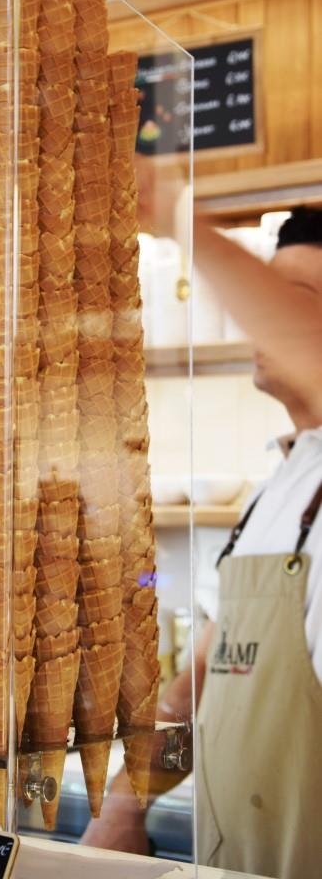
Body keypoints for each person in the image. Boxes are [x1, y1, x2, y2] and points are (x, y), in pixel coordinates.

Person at [82, 206, 322, 879]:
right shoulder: (272, 491)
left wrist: (179, 214)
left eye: (290, 299)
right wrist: (125, 803)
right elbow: (197, 690)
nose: (255, 317)